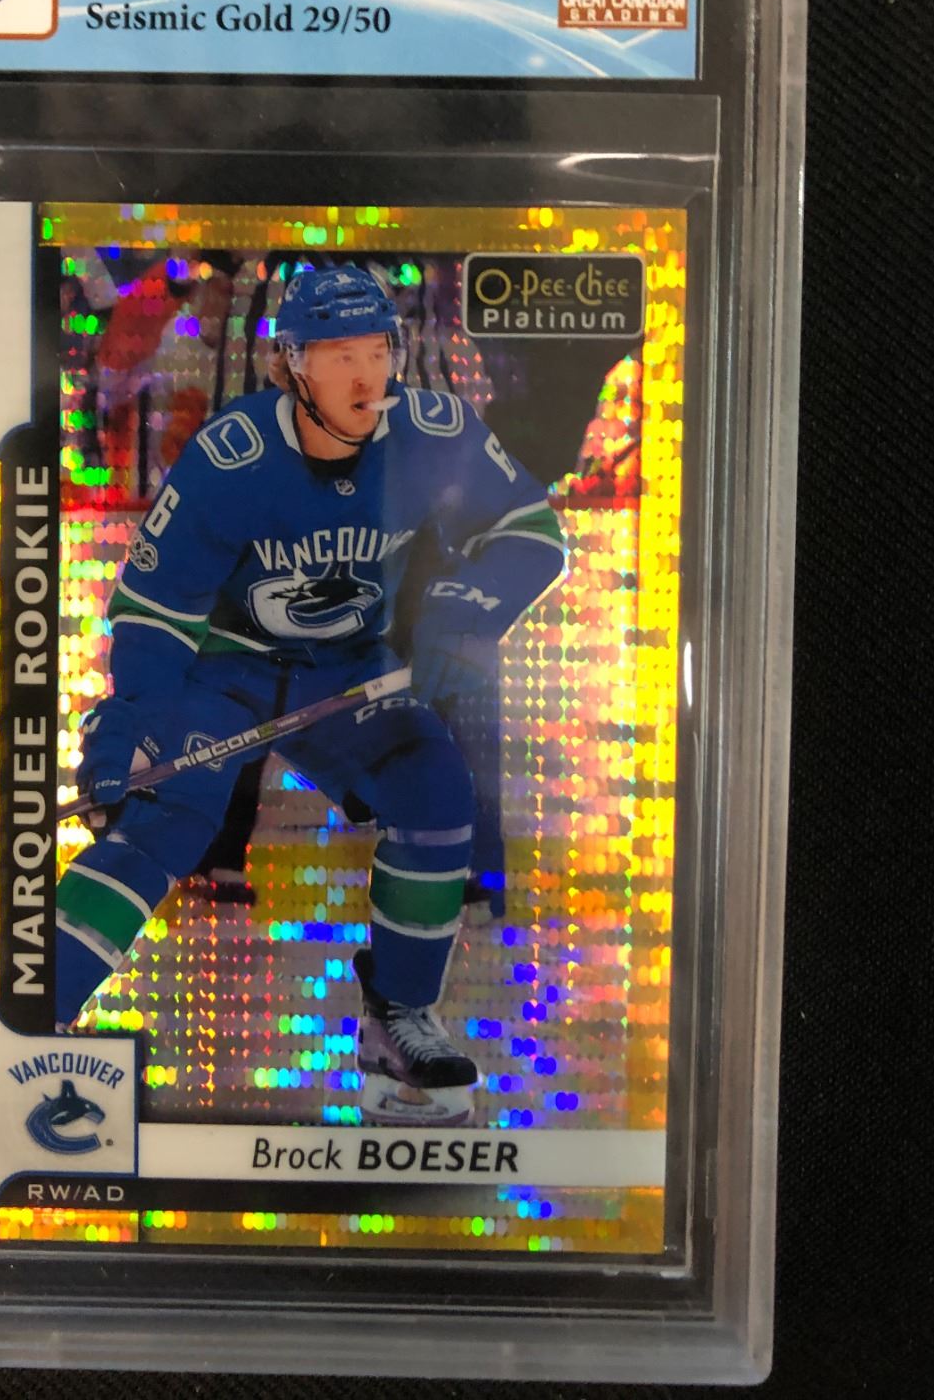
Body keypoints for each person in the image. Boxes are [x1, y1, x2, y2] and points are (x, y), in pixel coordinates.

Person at [55, 265, 566, 1124]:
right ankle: (38, 1008)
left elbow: (532, 529)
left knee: (437, 797)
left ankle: (398, 1019)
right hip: (225, 666)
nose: (367, 377)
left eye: (378, 352)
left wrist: (465, 610)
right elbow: (153, 612)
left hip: (348, 666)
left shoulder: (431, 429)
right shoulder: (231, 456)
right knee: (161, 819)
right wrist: (132, 724)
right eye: (340, 357)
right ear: (293, 365)